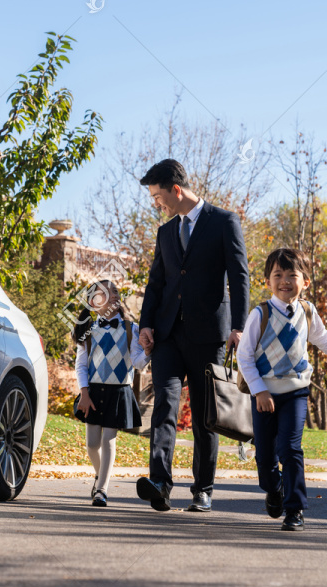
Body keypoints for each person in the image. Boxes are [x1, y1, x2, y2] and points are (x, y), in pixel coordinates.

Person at [135, 159, 250, 512]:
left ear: (176, 190)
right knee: (164, 408)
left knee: (204, 415)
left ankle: (202, 488)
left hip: (209, 336)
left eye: (157, 196)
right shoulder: (165, 232)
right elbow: (156, 284)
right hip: (168, 335)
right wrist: (145, 324)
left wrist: (239, 327)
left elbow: (239, 276)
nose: (156, 202)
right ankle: (160, 483)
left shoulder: (224, 222)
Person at [236, 248, 327, 531]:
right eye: (278, 275)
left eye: (292, 275)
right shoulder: (260, 313)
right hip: (264, 394)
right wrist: (259, 391)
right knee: (266, 459)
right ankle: (274, 488)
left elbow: (324, 341)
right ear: (268, 281)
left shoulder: (307, 311)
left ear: (305, 281)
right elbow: (244, 356)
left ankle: (295, 509)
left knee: (291, 449)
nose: (285, 281)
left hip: (296, 392)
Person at [74, 279, 150, 507]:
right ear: (93, 302)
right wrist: (84, 393)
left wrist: (147, 352)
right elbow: (81, 366)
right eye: (104, 293)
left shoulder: (131, 329)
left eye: (114, 291)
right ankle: (100, 476)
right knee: (91, 444)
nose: (112, 295)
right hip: (93, 392)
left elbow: (137, 363)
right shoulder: (87, 330)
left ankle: (102, 490)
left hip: (119, 392)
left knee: (108, 440)